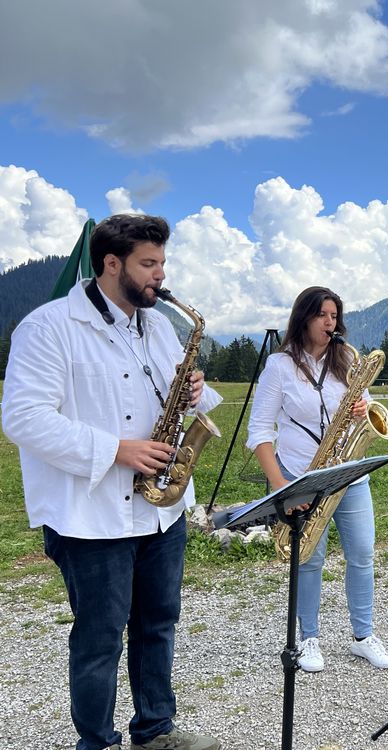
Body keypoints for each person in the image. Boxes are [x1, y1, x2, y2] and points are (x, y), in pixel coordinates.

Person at [1, 215, 223, 750]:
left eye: (163, 263)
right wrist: (116, 450)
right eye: (149, 264)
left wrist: (195, 392)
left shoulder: (161, 327)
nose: (160, 276)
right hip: (91, 515)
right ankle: (96, 743)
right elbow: (23, 418)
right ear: (111, 264)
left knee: (157, 626)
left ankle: (155, 732)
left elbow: (179, 399)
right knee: (99, 640)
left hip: (161, 509)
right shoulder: (48, 326)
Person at [246, 286, 388, 671]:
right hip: (303, 474)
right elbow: (260, 432)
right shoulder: (280, 366)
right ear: (304, 318)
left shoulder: (345, 358)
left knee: (362, 554)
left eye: (335, 316)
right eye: (323, 316)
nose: (331, 323)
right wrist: (282, 487)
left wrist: (364, 408)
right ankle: (309, 638)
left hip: (348, 472)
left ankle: (363, 635)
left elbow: (361, 408)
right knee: (310, 558)